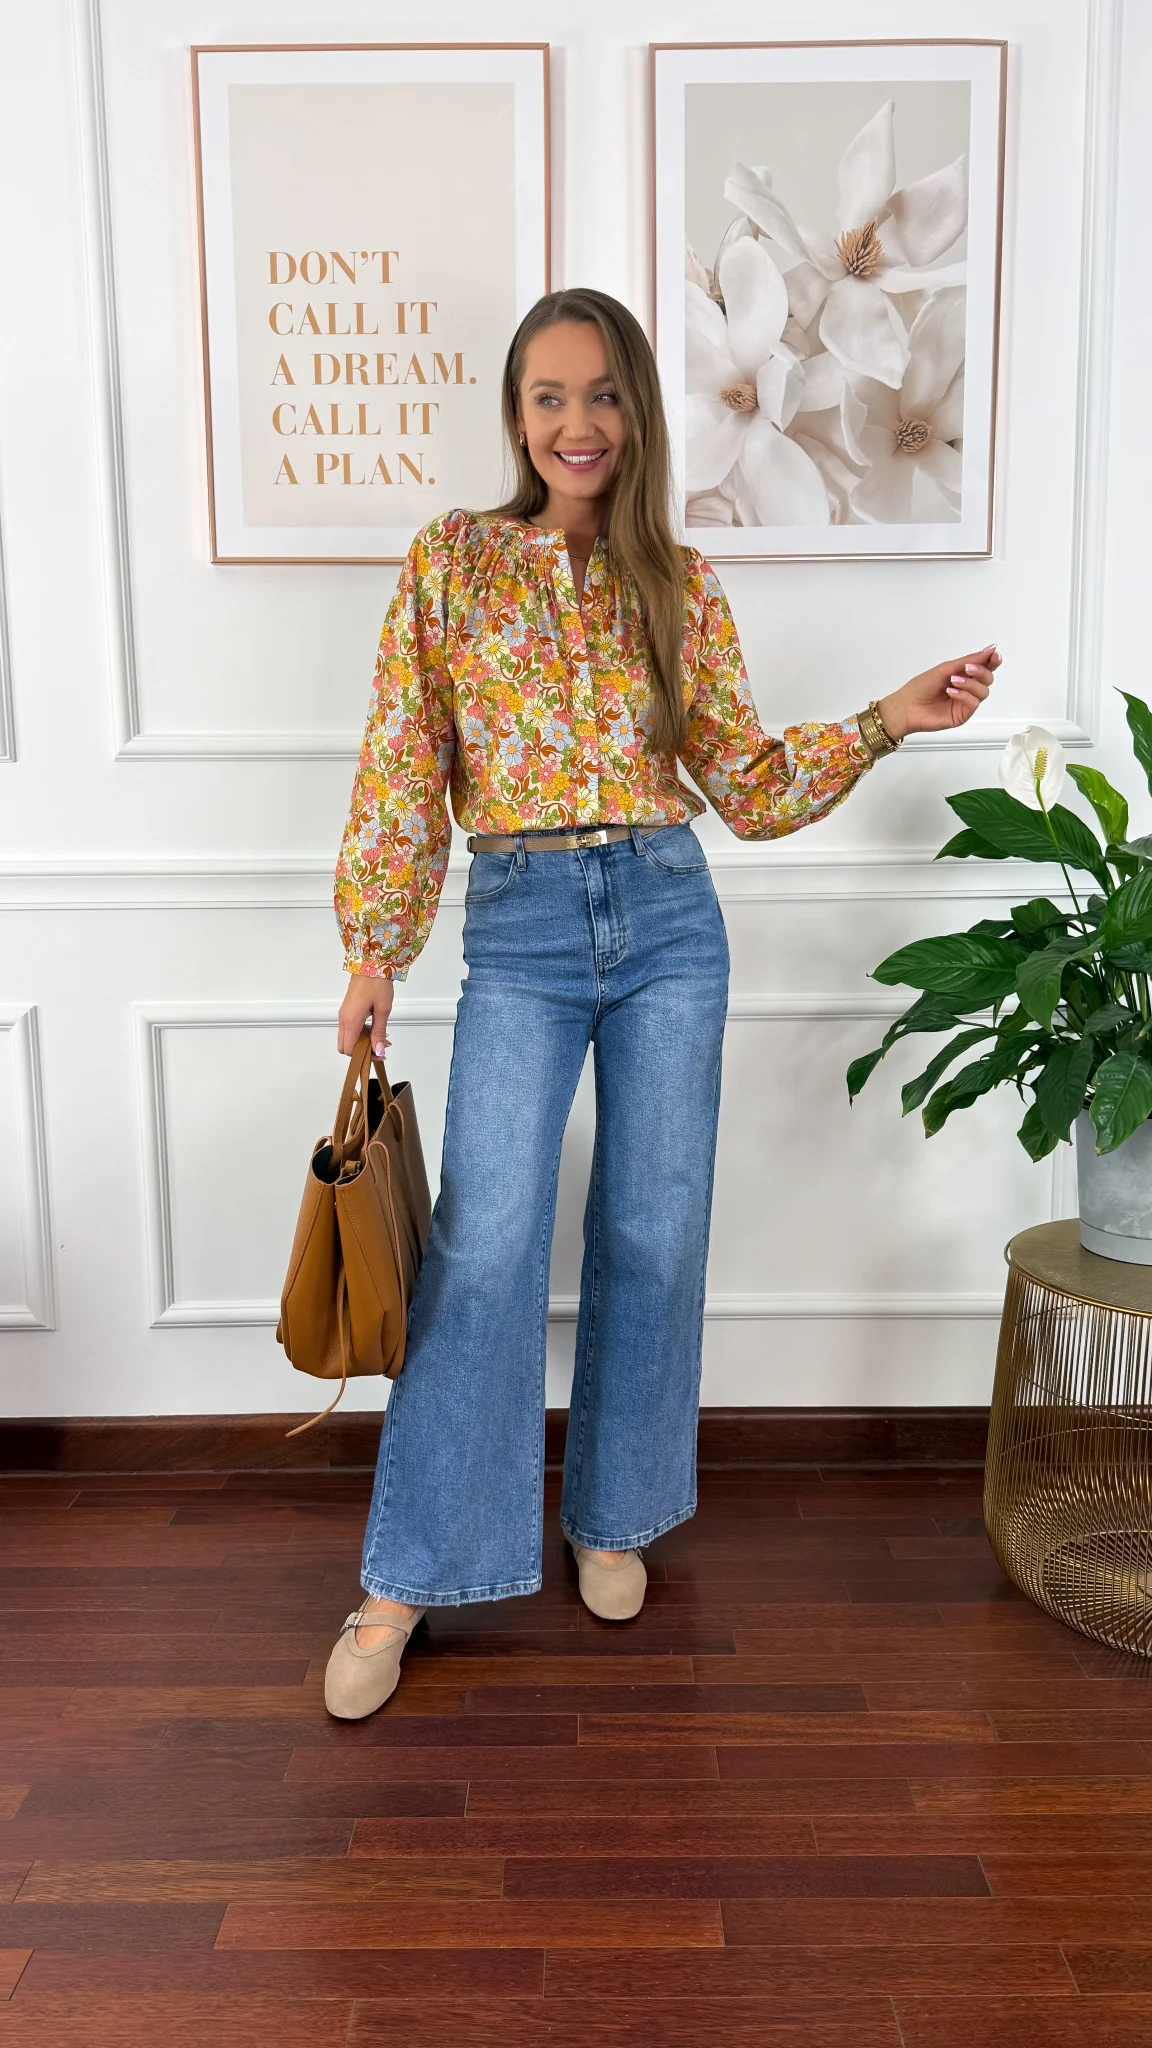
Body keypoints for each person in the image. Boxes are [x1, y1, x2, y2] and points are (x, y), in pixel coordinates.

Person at [323, 287, 999, 1719]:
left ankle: (614, 1513)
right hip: (520, 926)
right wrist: (375, 948)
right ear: (518, 414)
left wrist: (889, 718)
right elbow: (403, 759)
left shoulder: (679, 582)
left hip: (669, 917)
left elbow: (743, 785)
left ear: (636, 412)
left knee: (652, 1225)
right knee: (486, 1240)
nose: (577, 423)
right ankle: (409, 1573)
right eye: (550, 396)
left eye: (604, 395)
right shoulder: (453, 563)